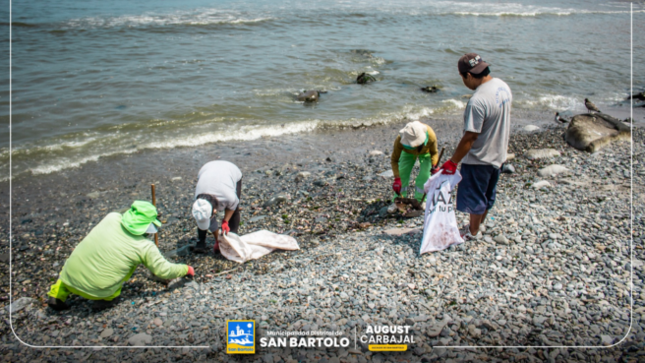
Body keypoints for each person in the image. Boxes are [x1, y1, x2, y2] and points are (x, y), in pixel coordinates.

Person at [47, 201, 194, 311]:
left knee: (80, 259)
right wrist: (185, 269)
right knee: (115, 288)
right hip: (97, 290)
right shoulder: (144, 246)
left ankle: (57, 294)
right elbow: (163, 270)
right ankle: (103, 300)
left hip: (68, 276)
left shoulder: (111, 218)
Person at [439, 53, 512, 240]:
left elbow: (470, 136)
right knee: (487, 195)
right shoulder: (502, 87)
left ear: (468, 76)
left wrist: (453, 161)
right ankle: (477, 226)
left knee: (475, 198)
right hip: (498, 154)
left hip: (480, 157)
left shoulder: (478, 100)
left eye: (463, 78)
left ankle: (472, 232)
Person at [191, 160, 243, 253]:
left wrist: (225, 221)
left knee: (234, 211)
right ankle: (201, 242)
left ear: (214, 211)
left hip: (231, 169)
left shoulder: (229, 196)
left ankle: (232, 237)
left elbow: (232, 206)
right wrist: (217, 241)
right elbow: (205, 216)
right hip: (206, 169)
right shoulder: (199, 199)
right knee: (202, 214)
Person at [390, 121, 440, 206]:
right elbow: (394, 160)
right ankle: (399, 200)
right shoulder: (400, 140)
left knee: (425, 174)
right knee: (402, 172)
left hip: (425, 152)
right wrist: (397, 178)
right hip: (407, 153)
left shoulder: (431, 135)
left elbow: (434, 153)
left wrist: (434, 165)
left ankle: (420, 200)